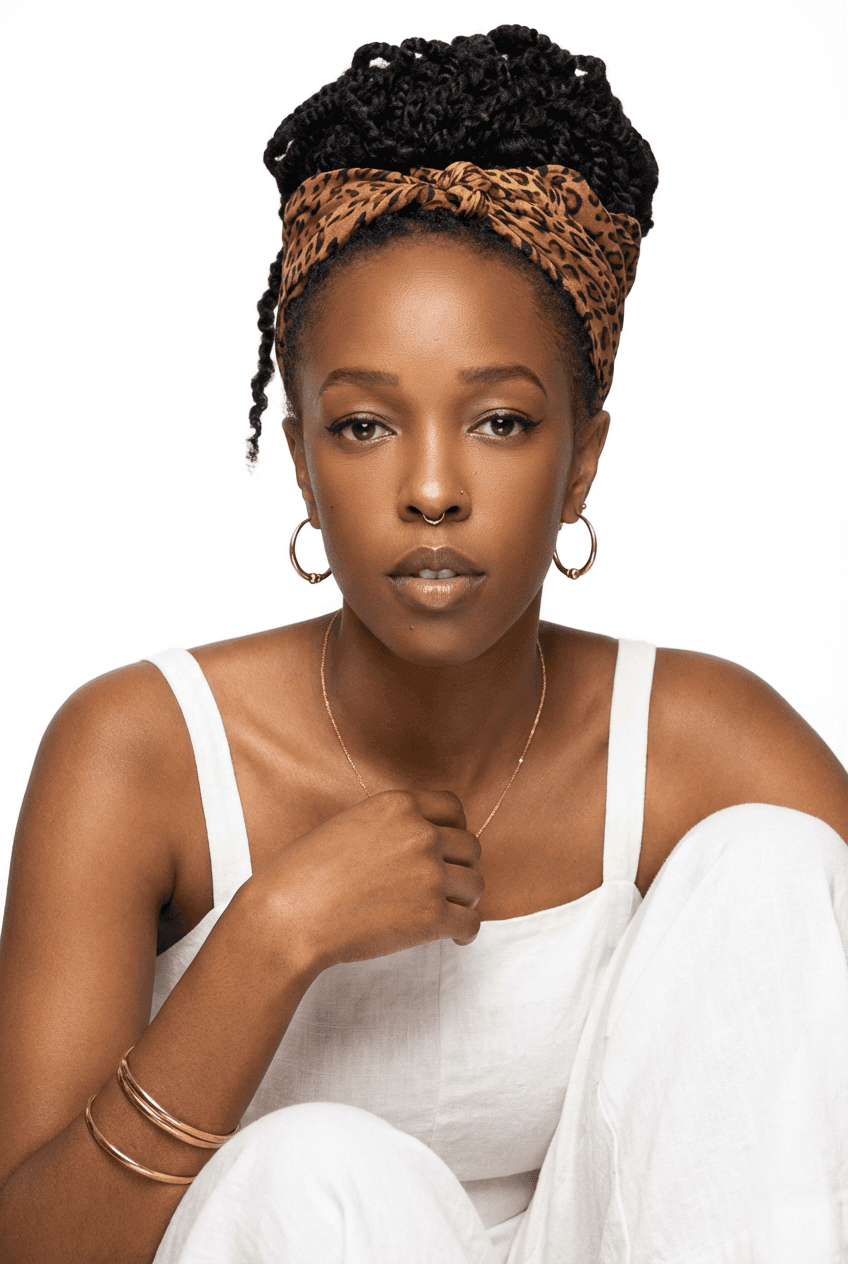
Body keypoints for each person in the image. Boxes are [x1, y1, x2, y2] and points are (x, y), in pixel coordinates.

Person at [0, 24, 846, 1264]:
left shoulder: (697, 740)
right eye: (362, 428)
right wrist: (275, 932)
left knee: (774, 864)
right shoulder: (137, 749)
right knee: (314, 1167)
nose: (433, 489)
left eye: (499, 421)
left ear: (581, 463)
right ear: (297, 457)